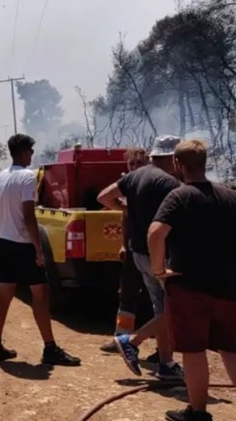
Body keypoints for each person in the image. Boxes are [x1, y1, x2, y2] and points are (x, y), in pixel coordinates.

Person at [147, 139, 236, 421]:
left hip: (189, 287)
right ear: (205, 164)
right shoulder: (229, 196)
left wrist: (158, 270)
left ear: (178, 165)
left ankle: (198, 412)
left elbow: (155, 233)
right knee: (233, 348)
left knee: (193, 350)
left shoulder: (179, 197)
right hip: (229, 288)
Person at [0, 133, 81, 366]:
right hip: (22, 244)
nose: (32, 156)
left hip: (3, 242)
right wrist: (38, 249)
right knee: (40, 294)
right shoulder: (28, 177)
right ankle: (50, 348)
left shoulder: (4, 176)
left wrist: (1, 218)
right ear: (25, 153)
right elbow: (29, 215)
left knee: (5, 293)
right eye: (31, 152)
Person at [97, 135, 183, 380]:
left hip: (140, 254)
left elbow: (103, 197)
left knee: (160, 307)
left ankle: (166, 364)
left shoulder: (134, 177)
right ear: (172, 158)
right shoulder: (170, 183)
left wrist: (126, 208)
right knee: (174, 308)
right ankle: (132, 341)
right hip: (163, 255)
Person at [100, 148, 159, 360]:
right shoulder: (129, 187)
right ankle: (121, 338)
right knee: (127, 294)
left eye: (139, 163)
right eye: (131, 164)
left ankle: (162, 349)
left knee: (158, 300)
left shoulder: (156, 186)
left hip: (155, 251)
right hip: (135, 249)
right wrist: (124, 245)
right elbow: (125, 219)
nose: (134, 167)